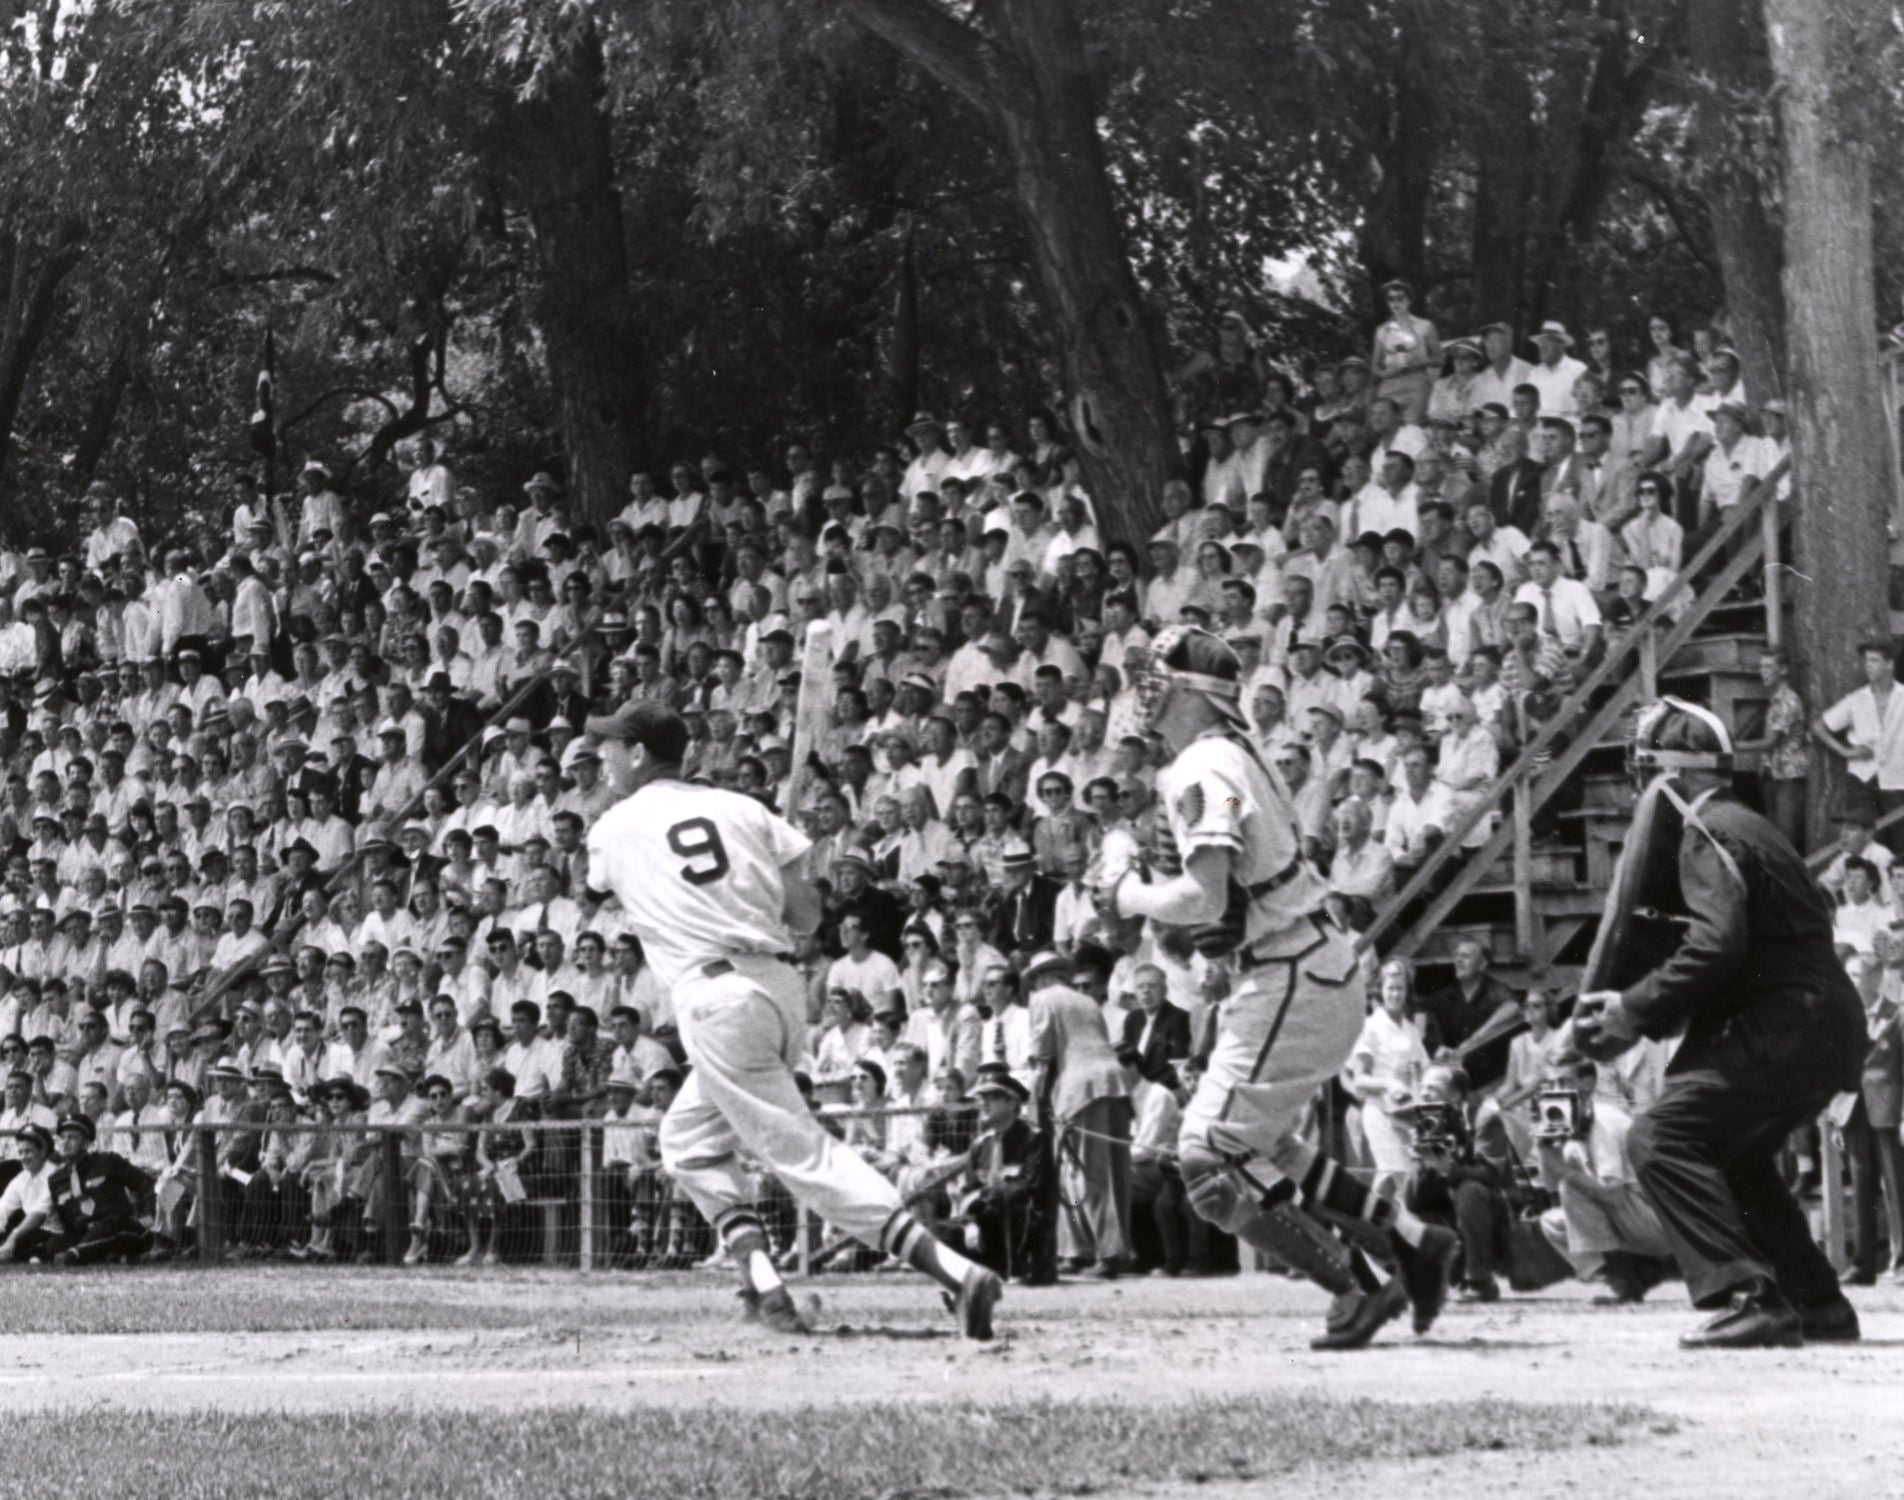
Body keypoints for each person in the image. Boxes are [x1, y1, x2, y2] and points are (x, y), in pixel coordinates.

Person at [581, 700, 1003, 1338]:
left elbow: (600, 883)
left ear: (640, 753)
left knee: (802, 1155)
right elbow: (807, 921)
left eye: (611, 746)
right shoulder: (745, 809)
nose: (601, 758)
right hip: (780, 989)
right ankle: (764, 1283)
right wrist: (771, 847)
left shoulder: (615, 825)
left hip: (715, 996)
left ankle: (954, 1272)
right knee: (687, 1145)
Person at [1095, 624, 1457, 1351]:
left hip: (1295, 971)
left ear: (1196, 692)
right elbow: (1222, 906)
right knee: (1268, 1150)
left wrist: (1127, 892)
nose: (1148, 687)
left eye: (1162, 676)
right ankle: (1415, 1240)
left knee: (1203, 1157)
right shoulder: (1225, 753)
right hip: (1304, 964)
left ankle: (1356, 1289)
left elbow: (1203, 897)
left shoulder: (1204, 763)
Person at [1573, 697, 1868, 1347]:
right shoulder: (1750, 825)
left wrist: (1633, 1007)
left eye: (1648, 769)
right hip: (1822, 1024)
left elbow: (1715, 946)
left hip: (1789, 1025)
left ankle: (1748, 1294)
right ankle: (1816, 1302)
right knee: (1735, 1159)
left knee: (1659, 1137)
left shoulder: (1707, 833)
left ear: (1674, 774)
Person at [1024, 948, 1131, 1276]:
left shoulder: (1042, 1000)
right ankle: (1102, 1248)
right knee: (1114, 1169)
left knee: (1079, 1171)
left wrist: (1033, 1102)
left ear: (1040, 978)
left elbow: (1042, 1055)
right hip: (1114, 1083)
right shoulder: (1087, 1001)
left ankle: (1097, 1252)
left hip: (1077, 1089)